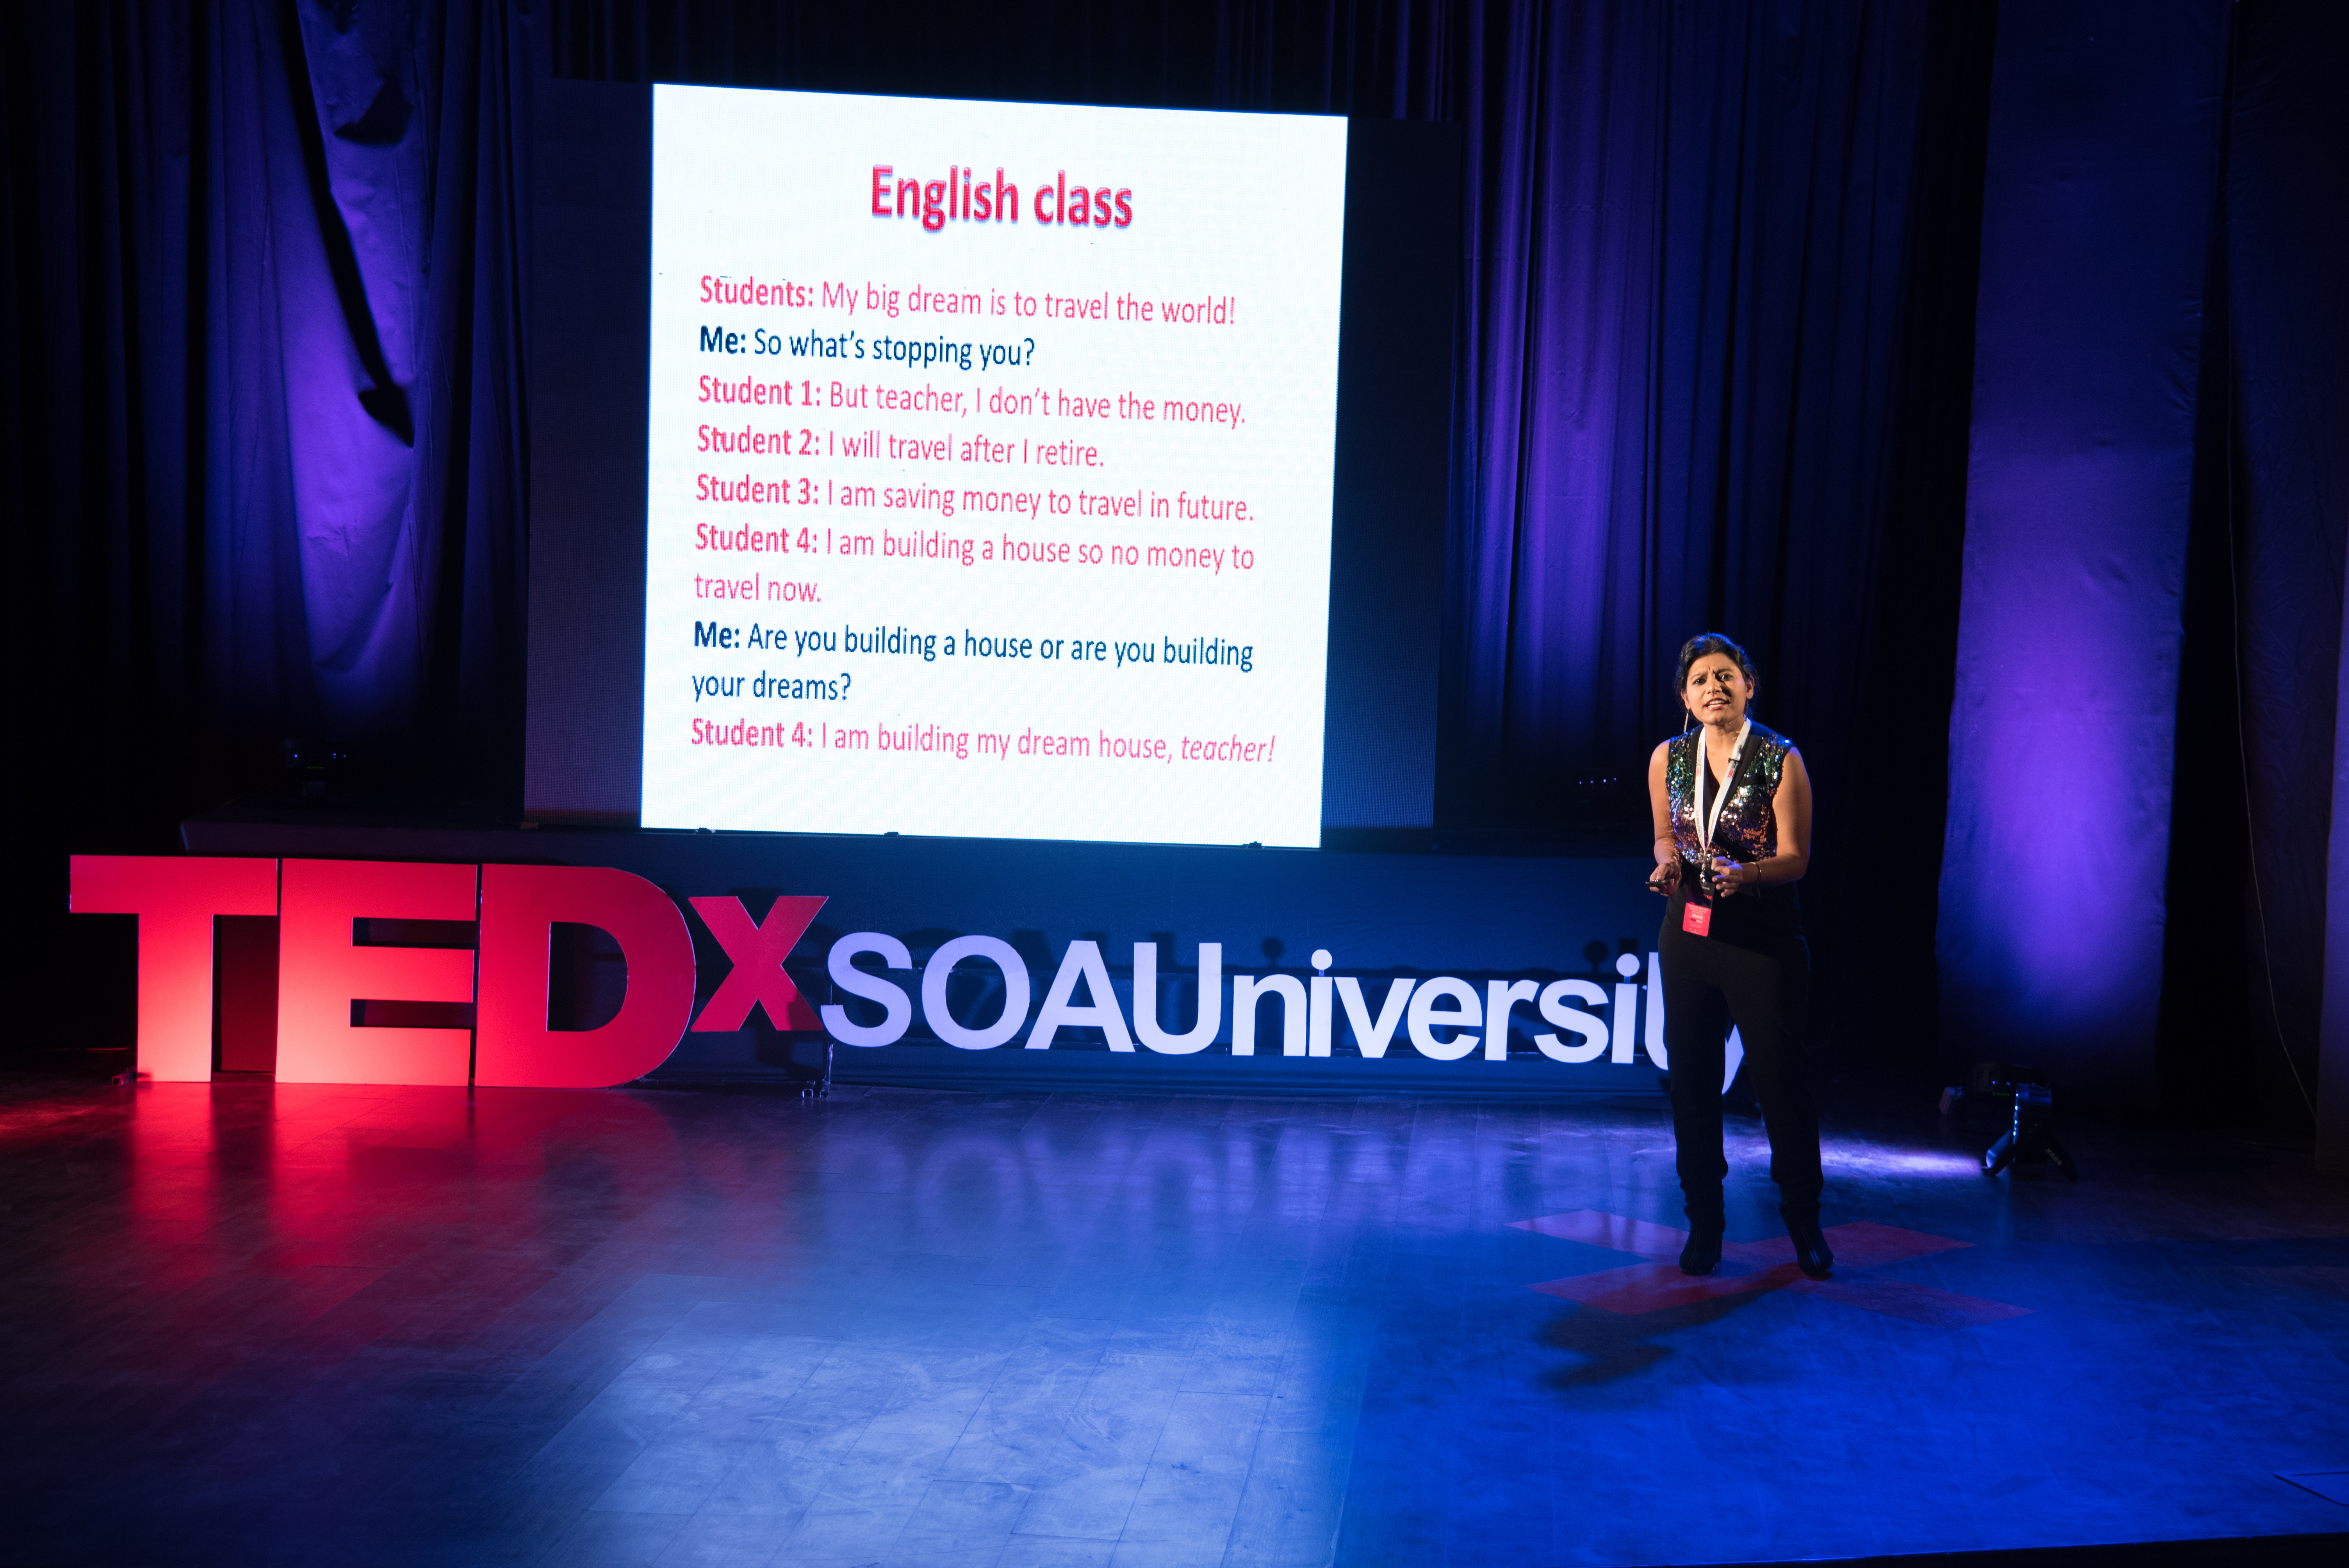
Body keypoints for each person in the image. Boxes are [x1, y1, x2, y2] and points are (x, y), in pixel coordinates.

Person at [1644, 633, 1832, 1279]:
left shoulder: (1781, 758)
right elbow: (1665, 837)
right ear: (1685, 697)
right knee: (1692, 1084)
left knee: (1780, 1084)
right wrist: (1668, 867)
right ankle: (1705, 1223)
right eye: (1700, 680)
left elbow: (1796, 858)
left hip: (1762, 942)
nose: (1713, 688)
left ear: (1748, 685)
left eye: (1725, 675)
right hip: (1688, 936)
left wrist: (1745, 875)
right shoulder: (1669, 758)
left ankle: (1803, 1219)